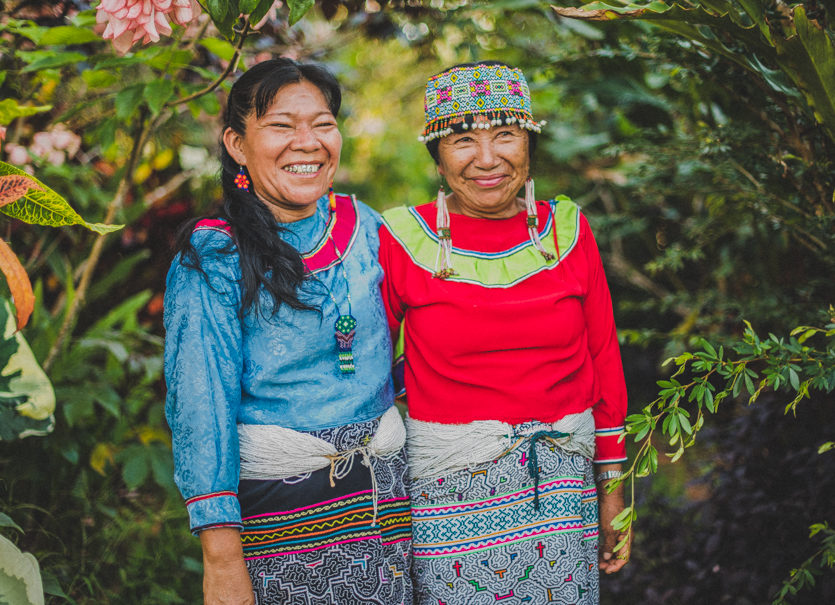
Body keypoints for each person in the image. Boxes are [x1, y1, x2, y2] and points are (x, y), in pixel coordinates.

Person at [378, 61, 630, 604]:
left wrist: (613, 488)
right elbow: (369, 368)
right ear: (438, 157)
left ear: (529, 146)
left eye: (506, 135)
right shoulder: (399, 239)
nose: (488, 158)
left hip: (562, 489)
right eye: (463, 139)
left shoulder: (567, 231)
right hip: (446, 493)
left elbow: (604, 358)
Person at [164, 58, 412, 605]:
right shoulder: (214, 253)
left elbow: (427, 333)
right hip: (281, 520)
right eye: (281, 125)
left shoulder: (368, 227)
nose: (308, 142)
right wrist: (221, 559)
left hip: (389, 505)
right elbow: (200, 406)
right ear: (237, 144)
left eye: (323, 124)